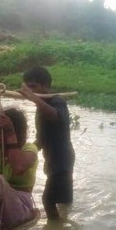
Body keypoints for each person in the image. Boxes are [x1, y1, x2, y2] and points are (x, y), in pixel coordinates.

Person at [19, 67, 75, 220]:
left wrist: (34, 98)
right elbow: (42, 138)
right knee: (64, 200)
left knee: (47, 200)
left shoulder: (57, 100)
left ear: (45, 86)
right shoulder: (41, 106)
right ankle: (66, 224)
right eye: (27, 87)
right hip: (53, 160)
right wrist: (27, 151)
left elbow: (56, 117)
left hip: (62, 161)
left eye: (33, 87)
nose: (30, 91)